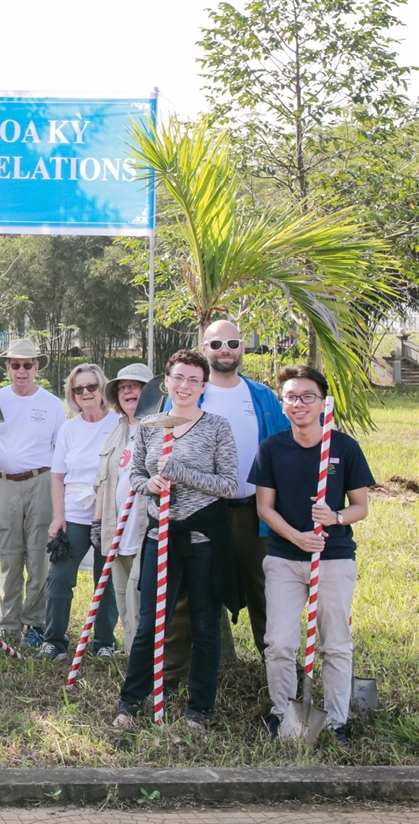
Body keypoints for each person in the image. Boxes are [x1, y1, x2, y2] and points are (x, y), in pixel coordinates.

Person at [112, 350, 241, 730]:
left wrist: (181, 472)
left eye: (193, 380)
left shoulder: (217, 427)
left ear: (203, 386)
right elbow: (136, 474)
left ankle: (200, 708)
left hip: (203, 538)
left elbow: (229, 485)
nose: (184, 386)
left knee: (204, 623)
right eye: (178, 378)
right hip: (160, 533)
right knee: (151, 620)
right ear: (165, 381)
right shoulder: (149, 425)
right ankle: (131, 700)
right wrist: (149, 483)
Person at [253, 365, 373, 747]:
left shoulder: (343, 447)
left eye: (308, 396)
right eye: (291, 397)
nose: (299, 403)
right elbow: (265, 508)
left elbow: (361, 507)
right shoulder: (273, 447)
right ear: (283, 403)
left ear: (322, 402)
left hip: (334, 556)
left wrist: (334, 517)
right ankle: (282, 713)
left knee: (335, 643)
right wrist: (297, 536)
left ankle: (337, 721)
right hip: (285, 557)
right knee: (279, 643)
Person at [192, 319, 291, 659]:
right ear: (203, 349)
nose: (225, 351)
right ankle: (212, 664)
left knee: (264, 589)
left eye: (232, 344)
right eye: (216, 345)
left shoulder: (262, 396)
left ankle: (276, 667)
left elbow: (287, 446)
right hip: (202, 511)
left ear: (243, 348)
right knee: (201, 588)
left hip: (254, 511)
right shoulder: (192, 392)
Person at [0, 337, 65, 648]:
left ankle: (34, 624)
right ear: (8, 368)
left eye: (28, 365)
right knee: (10, 557)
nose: (22, 370)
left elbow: (60, 451)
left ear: (37, 367)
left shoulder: (52, 404)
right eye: (16, 365)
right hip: (3, 483)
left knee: (38, 555)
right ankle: (9, 625)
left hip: (41, 482)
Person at [40, 363, 120, 660]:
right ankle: (55, 641)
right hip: (74, 513)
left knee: (106, 579)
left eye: (91, 387)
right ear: (72, 394)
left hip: (108, 514)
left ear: (102, 390)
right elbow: (57, 475)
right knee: (59, 577)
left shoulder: (118, 425)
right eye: (78, 389)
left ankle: (104, 642)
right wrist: (58, 516)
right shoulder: (69, 429)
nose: (85, 393)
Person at [94, 362, 152, 660]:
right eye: (122, 387)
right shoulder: (116, 433)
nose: (128, 390)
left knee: (139, 601)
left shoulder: (159, 430)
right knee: (122, 600)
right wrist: (97, 523)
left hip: (146, 533)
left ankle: (146, 666)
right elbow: (102, 483)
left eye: (136, 385)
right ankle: (132, 661)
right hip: (116, 534)